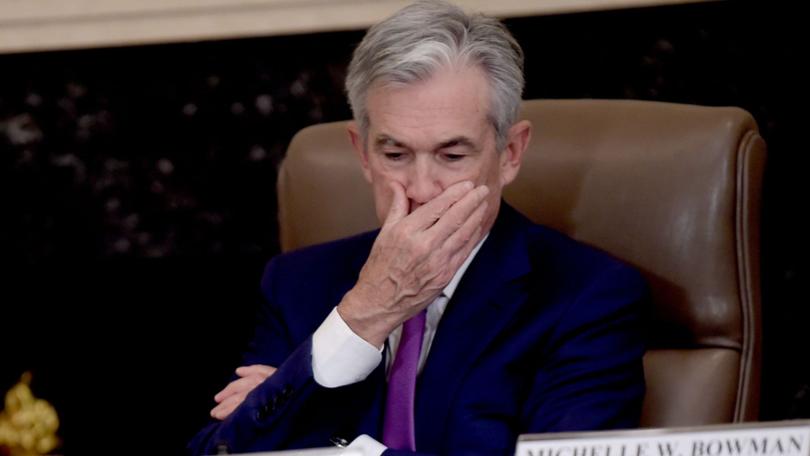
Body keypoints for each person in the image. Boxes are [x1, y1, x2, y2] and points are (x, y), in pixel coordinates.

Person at [189, 1, 648, 454]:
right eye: (395, 155)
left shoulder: (588, 296)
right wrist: (364, 315)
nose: (422, 188)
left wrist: (331, 440)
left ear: (510, 153)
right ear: (362, 153)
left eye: (452, 156)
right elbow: (219, 452)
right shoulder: (295, 284)